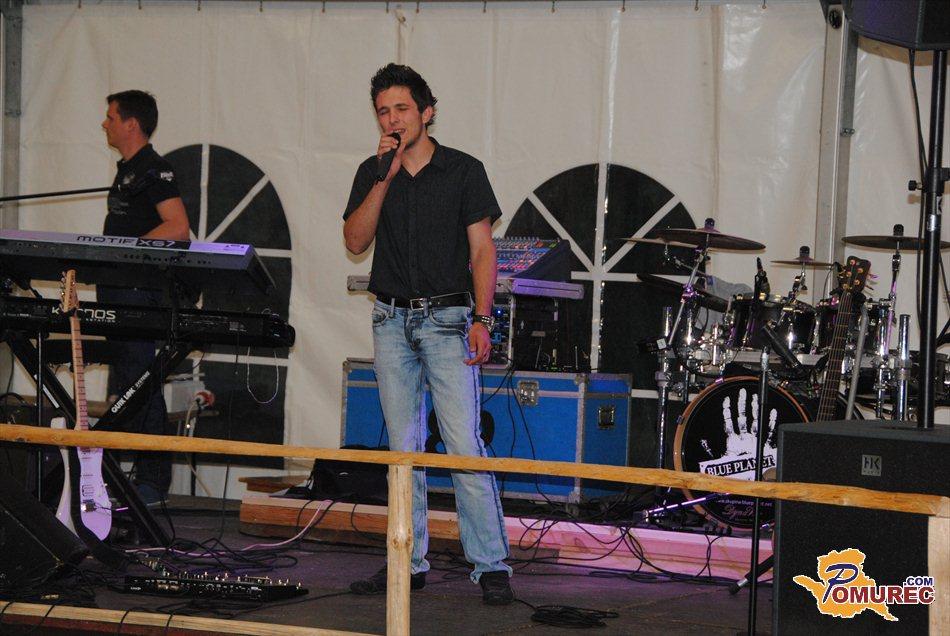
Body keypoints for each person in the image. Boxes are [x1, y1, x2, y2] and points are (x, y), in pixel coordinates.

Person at [342, 64, 514, 605]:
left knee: (463, 444)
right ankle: (406, 561)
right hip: (390, 320)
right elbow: (354, 241)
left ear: (427, 112)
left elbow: (482, 250)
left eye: (402, 109)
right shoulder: (373, 171)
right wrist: (383, 177)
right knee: (403, 449)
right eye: (383, 111)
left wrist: (484, 319)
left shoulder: (463, 170)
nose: (392, 119)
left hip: (447, 321)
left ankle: (491, 565)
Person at [99, 90, 190, 505]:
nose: (105, 124)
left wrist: (127, 252)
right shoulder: (129, 170)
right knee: (126, 384)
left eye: (111, 117)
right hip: (118, 290)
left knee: (141, 384)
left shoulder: (154, 169)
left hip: (138, 291)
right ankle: (126, 479)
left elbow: (177, 228)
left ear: (131, 124)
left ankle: (153, 481)